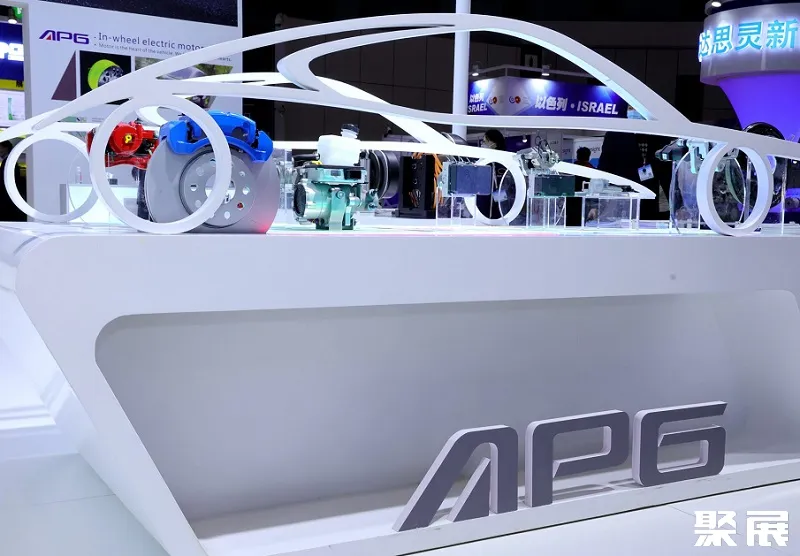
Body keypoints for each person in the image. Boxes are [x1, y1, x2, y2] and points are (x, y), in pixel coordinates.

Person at [0, 140, 25, 222]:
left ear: (6, 148)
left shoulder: (8, 162)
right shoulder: (9, 161)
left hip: (8, 200)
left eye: (0, 147)